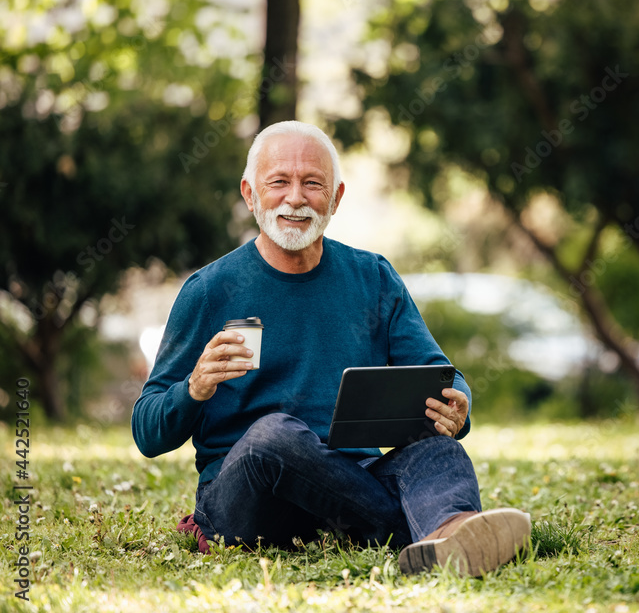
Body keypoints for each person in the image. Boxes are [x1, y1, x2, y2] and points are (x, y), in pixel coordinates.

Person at [131, 120, 530, 577]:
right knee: (272, 436)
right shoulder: (208, 291)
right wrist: (195, 387)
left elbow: (440, 375)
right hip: (249, 501)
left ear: (336, 198)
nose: (296, 198)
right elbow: (147, 430)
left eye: (312, 184)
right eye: (278, 182)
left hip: (349, 485)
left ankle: (452, 536)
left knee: (438, 452)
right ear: (250, 194)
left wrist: (459, 403)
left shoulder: (373, 278)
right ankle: (417, 530)